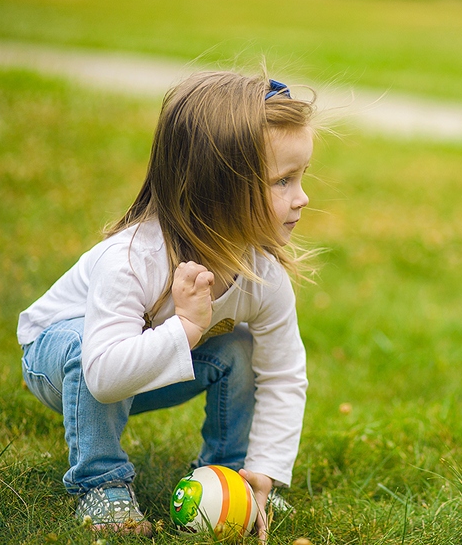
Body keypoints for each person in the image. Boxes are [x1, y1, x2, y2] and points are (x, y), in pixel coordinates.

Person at [17, 70, 316, 539]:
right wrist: (187, 330)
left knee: (239, 349)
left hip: (136, 367)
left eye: (301, 177)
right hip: (63, 364)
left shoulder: (264, 275)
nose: (302, 198)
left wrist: (266, 467)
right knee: (81, 343)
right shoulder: (134, 258)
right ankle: (102, 482)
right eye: (283, 181)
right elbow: (103, 373)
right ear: (218, 187)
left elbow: (282, 372)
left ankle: (230, 474)